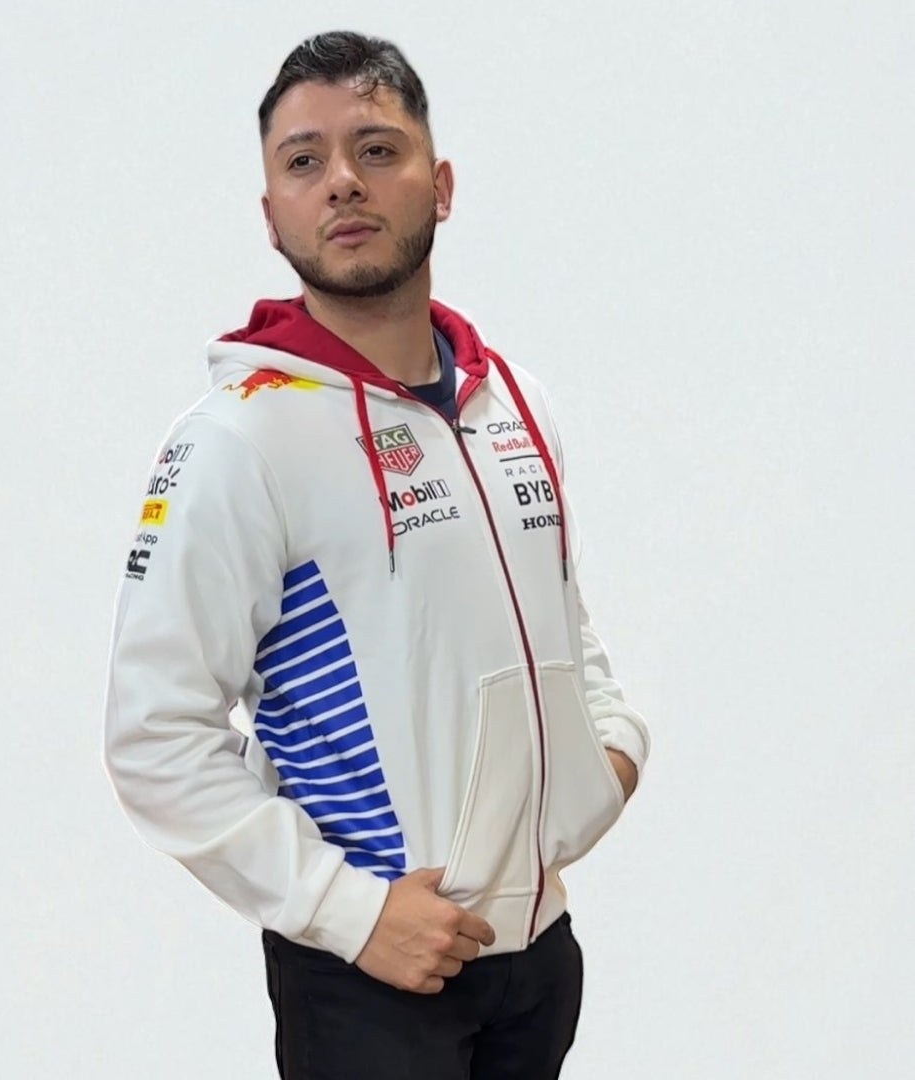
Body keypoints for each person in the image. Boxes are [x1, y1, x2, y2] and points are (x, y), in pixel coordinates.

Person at [104, 30, 650, 1080]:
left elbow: (559, 619)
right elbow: (153, 735)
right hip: (374, 982)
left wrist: (611, 747)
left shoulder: (513, 402)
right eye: (304, 161)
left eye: (377, 149)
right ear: (273, 215)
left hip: (537, 961)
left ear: (440, 186)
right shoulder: (237, 441)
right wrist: (348, 915)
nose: (343, 181)